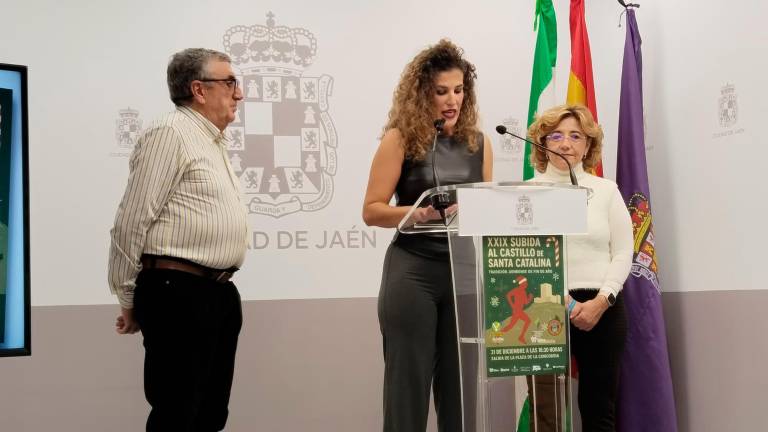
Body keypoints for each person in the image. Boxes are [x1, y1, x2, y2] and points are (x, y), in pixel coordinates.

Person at [108, 48, 248, 432]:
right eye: (231, 82)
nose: (239, 94)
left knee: (209, 416)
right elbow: (130, 221)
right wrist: (127, 297)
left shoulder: (212, 141)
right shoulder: (170, 133)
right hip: (178, 292)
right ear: (199, 90)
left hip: (217, 293)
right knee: (177, 413)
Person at [362, 39, 493, 432]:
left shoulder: (479, 142)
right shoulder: (400, 139)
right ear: (423, 94)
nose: (451, 100)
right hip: (414, 272)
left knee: (461, 393)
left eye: (458, 90)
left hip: (463, 272)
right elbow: (372, 210)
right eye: (441, 92)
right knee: (408, 387)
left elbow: (487, 208)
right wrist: (416, 213)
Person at [525, 104, 633, 432]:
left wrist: (603, 300)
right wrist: (562, 302)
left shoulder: (605, 191)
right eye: (555, 135)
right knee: (546, 412)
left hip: (602, 307)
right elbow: (521, 258)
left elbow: (624, 251)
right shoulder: (524, 194)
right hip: (543, 305)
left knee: (599, 409)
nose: (565, 143)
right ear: (543, 142)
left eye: (575, 136)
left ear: (588, 146)